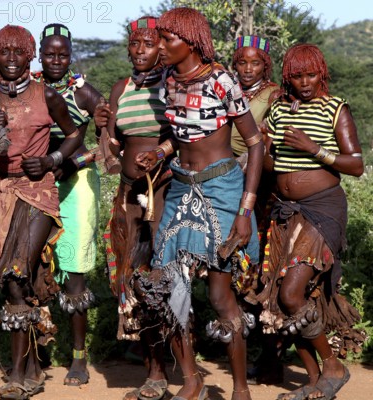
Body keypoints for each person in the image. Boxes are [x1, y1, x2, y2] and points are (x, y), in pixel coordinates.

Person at [134, 8, 264, 400]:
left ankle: (240, 389)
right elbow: (183, 134)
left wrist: (245, 212)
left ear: (191, 42)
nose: (159, 46)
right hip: (180, 190)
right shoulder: (169, 81)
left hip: (222, 190)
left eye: (166, 40)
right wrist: (159, 152)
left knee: (220, 296)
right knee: (166, 288)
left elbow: (255, 145)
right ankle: (191, 379)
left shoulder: (222, 79)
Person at [0, 25, 82, 400]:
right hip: (1, 193)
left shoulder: (45, 94)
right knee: (14, 279)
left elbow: (75, 134)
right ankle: (33, 366)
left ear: (30, 57)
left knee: (17, 272)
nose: (13, 59)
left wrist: (52, 158)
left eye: (20, 53)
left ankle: (16, 375)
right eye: (5, 53)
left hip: (38, 192)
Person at [256, 43, 364, 400]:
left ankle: (333, 365)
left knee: (290, 293)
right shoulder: (278, 110)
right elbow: (271, 163)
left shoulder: (335, 109)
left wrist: (312, 149)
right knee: (287, 298)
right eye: (297, 75)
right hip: (285, 210)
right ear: (288, 77)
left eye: (311, 74)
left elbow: (355, 165)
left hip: (322, 209)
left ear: (323, 73)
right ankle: (316, 381)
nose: (305, 82)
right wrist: (265, 150)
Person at [94, 16, 174, 400]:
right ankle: (152, 369)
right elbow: (111, 147)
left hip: (164, 192)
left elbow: (183, 134)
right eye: (135, 43)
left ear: (162, 47)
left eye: (149, 43)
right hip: (129, 194)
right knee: (131, 279)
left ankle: (165, 369)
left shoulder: (171, 85)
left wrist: (159, 153)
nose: (140, 50)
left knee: (160, 280)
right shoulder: (120, 88)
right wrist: (101, 128)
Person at [32, 23, 103, 387]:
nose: (56, 60)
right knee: (32, 265)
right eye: (49, 54)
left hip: (75, 184)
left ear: (71, 56)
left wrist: (71, 162)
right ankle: (37, 350)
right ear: (39, 55)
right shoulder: (29, 90)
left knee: (73, 270)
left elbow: (109, 146)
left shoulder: (85, 93)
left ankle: (78, 356)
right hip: (36, 185)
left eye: (62, 54)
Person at [231, 36, 285, 386]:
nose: (248, 69)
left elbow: (272, 140)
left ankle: (272, 359)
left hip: (262, 191)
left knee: (266, 272)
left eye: (255, 63)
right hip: (231, 187)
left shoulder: (275, 95)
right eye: (241, 63)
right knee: (242, 272)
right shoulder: (228, 89)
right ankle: (252, 354)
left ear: (266, 65)